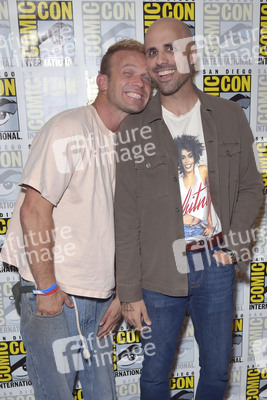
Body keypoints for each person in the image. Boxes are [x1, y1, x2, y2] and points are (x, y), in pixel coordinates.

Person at [114, 18, 263, 400]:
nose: (161, 60)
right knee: (153, 376)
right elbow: (126, 213)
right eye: (152, 52)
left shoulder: (229, 116)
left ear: (191, 53)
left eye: (171, 48)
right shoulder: (134, 129)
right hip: (158, 272)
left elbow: (251, 189)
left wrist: (233, 245)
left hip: (214, 264)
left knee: (215, 372)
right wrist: (129, 289)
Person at [1, 39, 151, 400]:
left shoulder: (127, 142)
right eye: (128, 73)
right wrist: (48, 288)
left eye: (147, 78)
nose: (140, 83)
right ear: (102, 81)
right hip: (58, 297)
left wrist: (118, 290)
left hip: (99, 299)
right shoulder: (70, 128)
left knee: (104, 395)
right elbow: (33, 210)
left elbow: (118, 224)